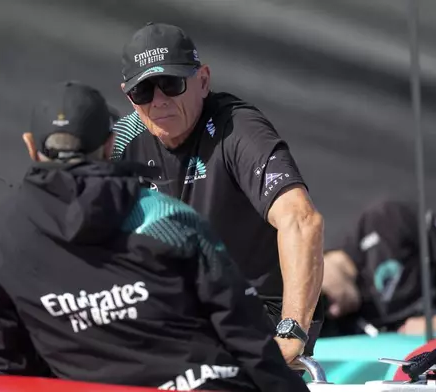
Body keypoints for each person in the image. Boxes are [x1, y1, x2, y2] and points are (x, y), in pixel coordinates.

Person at [0, 81, 310, 392]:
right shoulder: (168, 219)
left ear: (30, 146)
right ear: (110, 144)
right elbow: (248, 337)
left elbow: (0, 349)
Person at [111, 22, 325, 364]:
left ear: (204, 80)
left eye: (171, 83)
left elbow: (302, 220)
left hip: (255, 316)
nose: (159, 101)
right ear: (129, 97)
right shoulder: (120, 141)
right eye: (144, 91)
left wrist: (291, 331)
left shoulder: (236, 128)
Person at [320, 199, 436, 337]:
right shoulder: (335, 326)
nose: (335, 312)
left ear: (314, 265)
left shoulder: (383, 223)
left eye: (325, 301)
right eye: (323, 317)